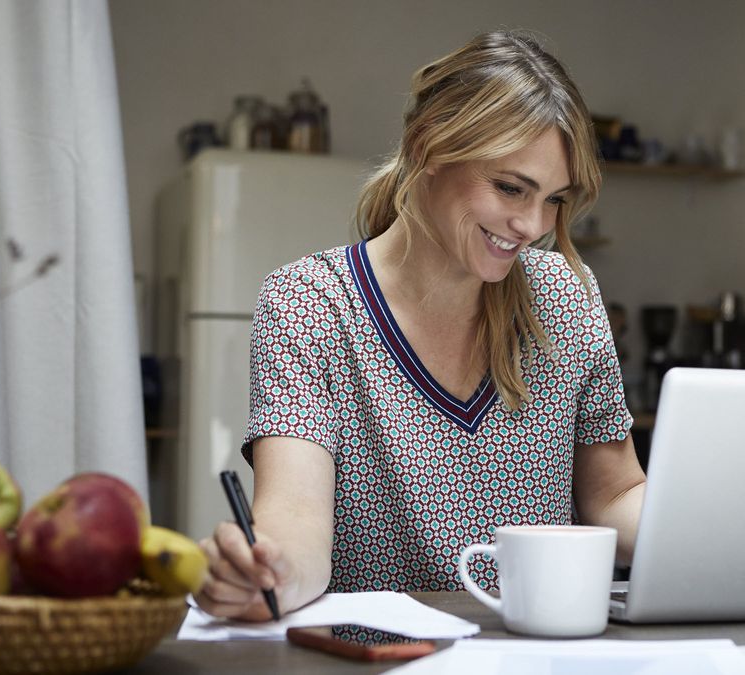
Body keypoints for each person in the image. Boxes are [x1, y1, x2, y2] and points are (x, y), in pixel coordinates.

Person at [194, 29, 646, 622]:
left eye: (555, 200)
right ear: (429, 147)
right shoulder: (309, 303)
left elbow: (614, 493)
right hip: (380, 659)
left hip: (533, 654)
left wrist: (721, 528)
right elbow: (295, 520)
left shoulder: (566, 296)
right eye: (511, 188)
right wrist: (267, 573)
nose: (532, 224)